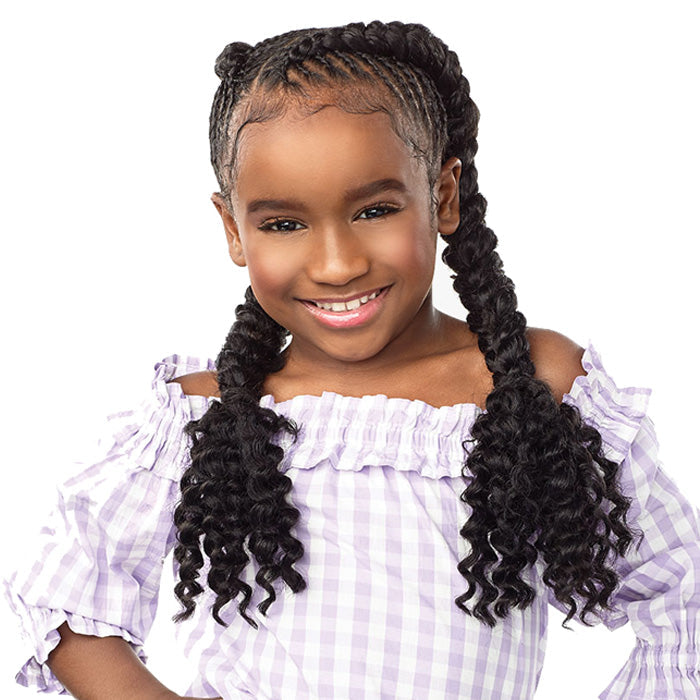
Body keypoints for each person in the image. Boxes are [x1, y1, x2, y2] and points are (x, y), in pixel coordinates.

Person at [4, 19, 699, 700]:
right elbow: (63, 589)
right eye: (284, 224)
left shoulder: (532, 391)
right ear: (233, 229)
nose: (337, 265)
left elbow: (682, 596)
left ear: (443, 196)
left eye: (374, 211)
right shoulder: (206, 417)